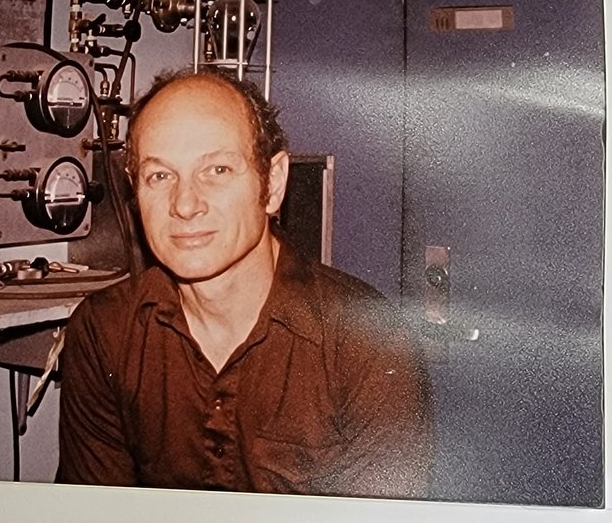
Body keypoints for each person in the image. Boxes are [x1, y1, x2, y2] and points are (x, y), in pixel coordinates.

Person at [56, 67, 433, 498]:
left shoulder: (367, 343)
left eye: (216, 169)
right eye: (160, 176)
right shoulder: (105, 331)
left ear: (271, 184)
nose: (185, 204)